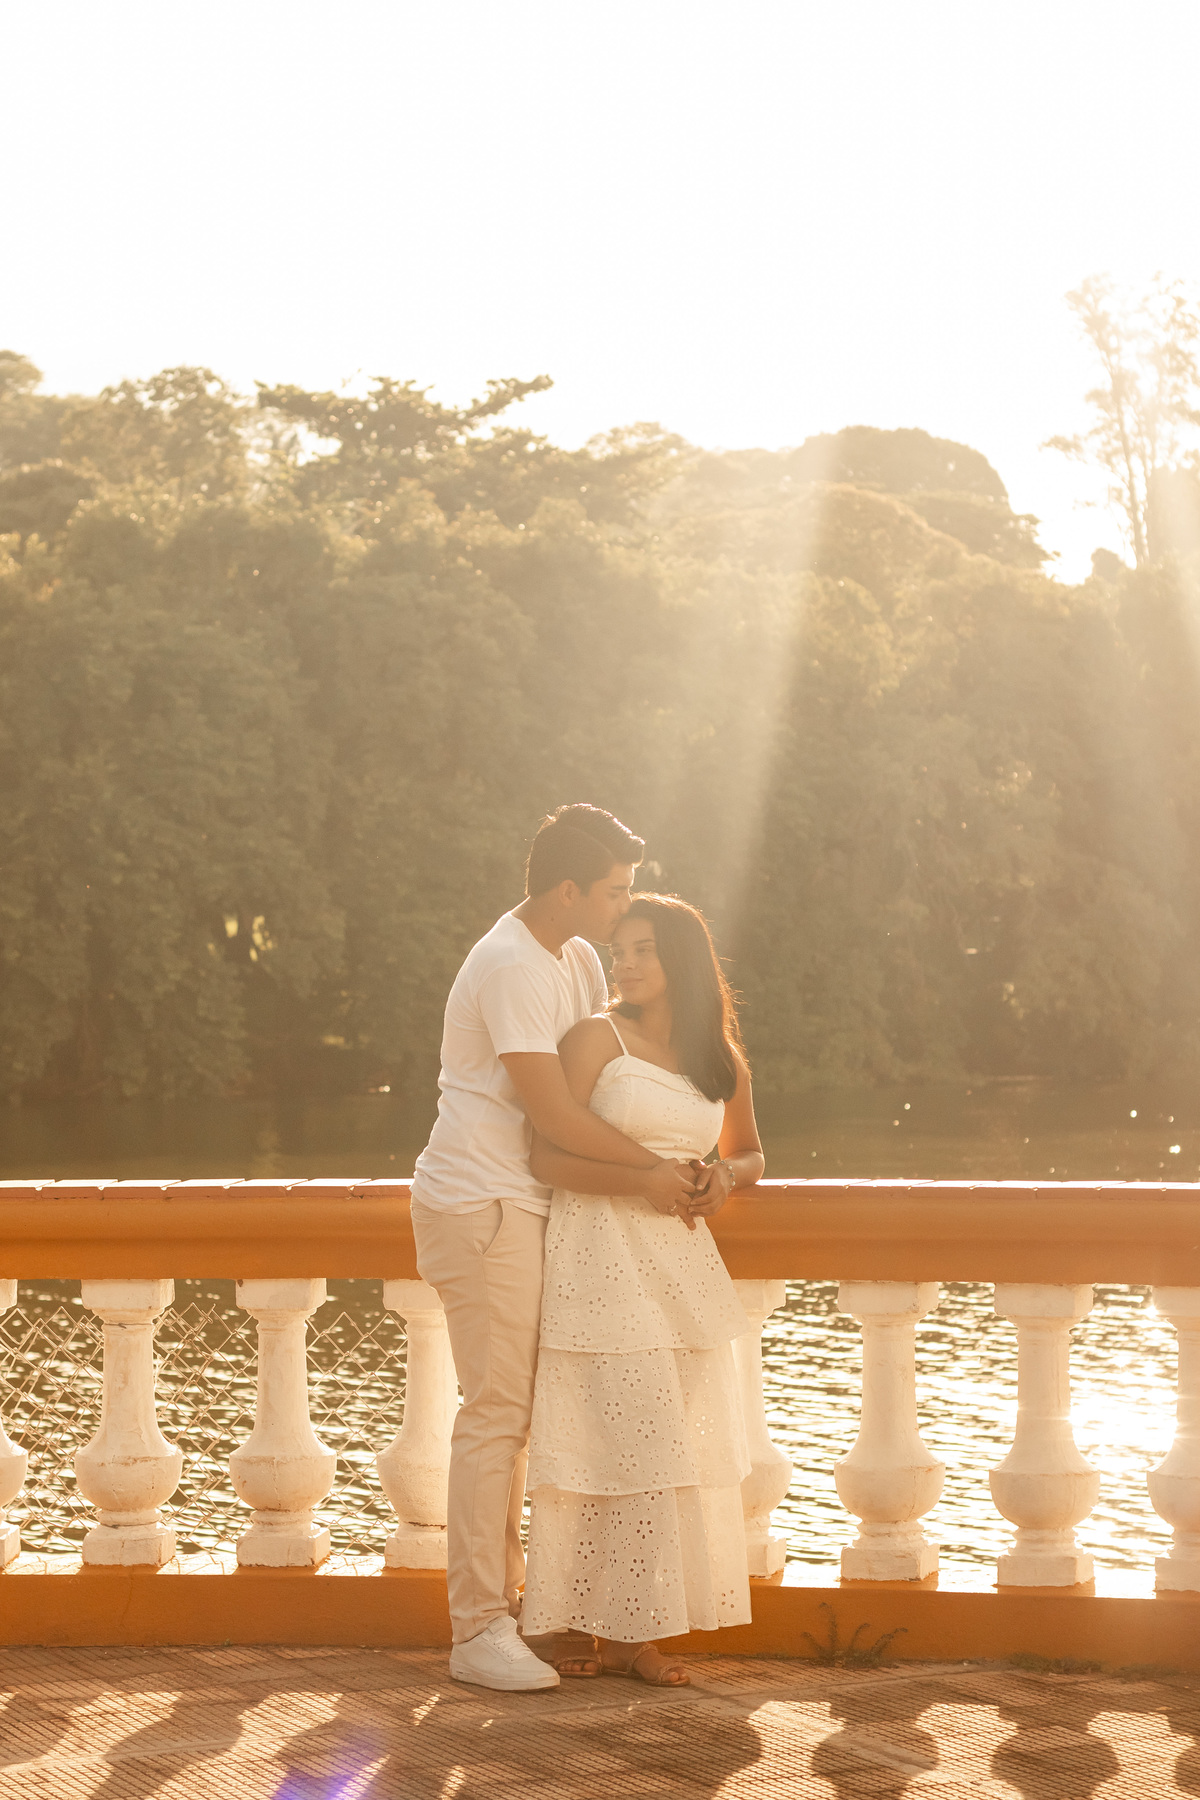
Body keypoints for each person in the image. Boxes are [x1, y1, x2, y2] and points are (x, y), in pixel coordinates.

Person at [410, 806, 699, 1692]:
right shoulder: (510, 965)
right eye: (613, 892)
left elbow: (607, 1079)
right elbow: (557, 1117)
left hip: (529, 1208)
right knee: (496, 1414)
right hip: (483, 1205)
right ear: (568, 890)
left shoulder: (571, 957)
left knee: (527, 1417)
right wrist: (653, 1170)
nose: (623, 908)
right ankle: (476, 1630)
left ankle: (519, 1610)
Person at [521, 892, 765, 1685]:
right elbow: (545, 1156)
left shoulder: (718, 1060)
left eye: (642, 950)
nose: (623, 964)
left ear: (681, 958)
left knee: (664, 1449)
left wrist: (725, 1177)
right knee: (605, 1443)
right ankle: (567, 1623)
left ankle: (630, 1631)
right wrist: (643, 1182)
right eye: (619, 950)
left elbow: (752, 1152)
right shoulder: (596, 1038)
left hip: (681, 1268)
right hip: (599, 1255)